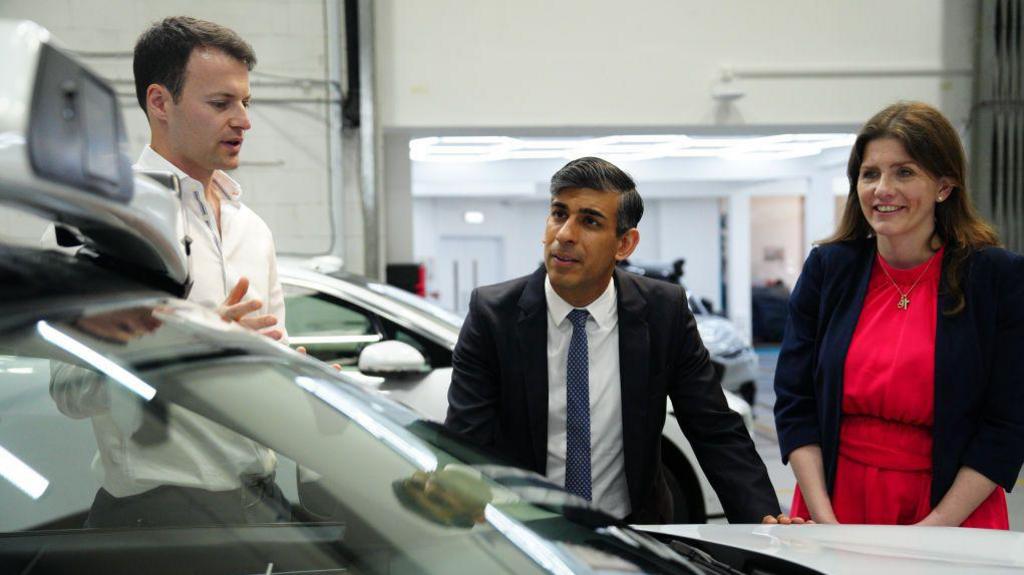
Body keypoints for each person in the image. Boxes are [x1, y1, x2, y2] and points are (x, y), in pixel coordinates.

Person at [445, 156, 786, 524]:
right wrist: (459, 491)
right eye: (559, 214)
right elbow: (466, 438)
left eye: (589, 221)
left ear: (624, 244)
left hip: (631, 532)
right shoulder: (493, 315)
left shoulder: (663, 311)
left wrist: (762, 520)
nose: (564, 235)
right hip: (527, 533)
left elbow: (714, 428)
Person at [48, 16, 290, 527]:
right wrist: (185, 343)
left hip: (261, 508)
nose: (244, 120)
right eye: (222, 104)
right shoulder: (100, 224)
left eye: (246, 102)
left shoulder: (253, 230)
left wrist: (295, 373)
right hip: (161, 524)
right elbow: (69, 390)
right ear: (160, 103)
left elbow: (268, 358)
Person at [774, 101, 1024, 528]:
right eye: (870, 174)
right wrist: (824, 518)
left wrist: (935, 529)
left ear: (944, 186)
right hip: (834, 501)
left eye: (904, 172)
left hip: (950, 510)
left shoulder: (995, 277)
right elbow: (796, 402)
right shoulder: (829, 269)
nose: (882, 188)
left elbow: (1008, 421)